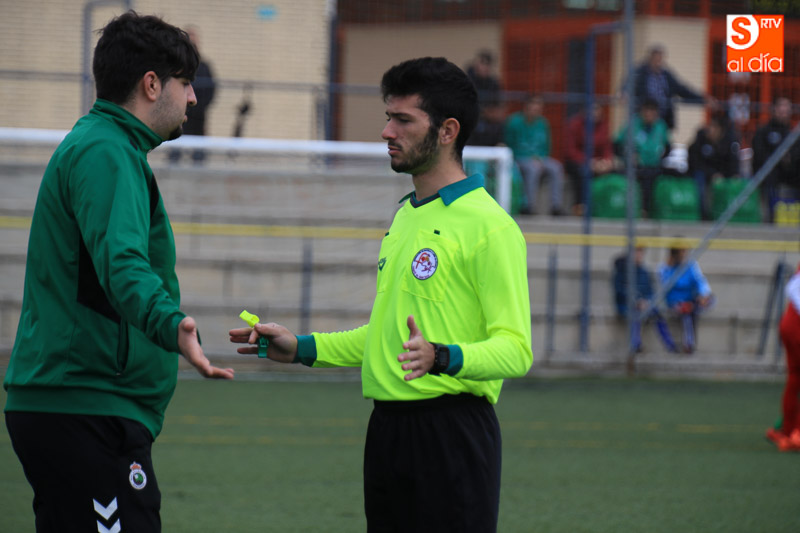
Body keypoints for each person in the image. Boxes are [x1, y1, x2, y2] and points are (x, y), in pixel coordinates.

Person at [230, 56, 533, 532]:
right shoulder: (406, 215)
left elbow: (516, 350)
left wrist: (443, 356)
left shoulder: (491, 227)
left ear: (448, 130)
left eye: (403, 120)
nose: (388, 131)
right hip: (388, 431)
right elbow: (386, 335)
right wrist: (302, 348)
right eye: (388, 117)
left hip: (452, 432)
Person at [3, 11, 235, 533]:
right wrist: (170, 323)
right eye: (185, 83)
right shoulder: (106, 151)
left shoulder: (106, 146)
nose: (193, 98)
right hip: (84, 406)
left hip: (80, 405)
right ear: (151, 84)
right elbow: (122, 265)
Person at [504, 94, 566, 215]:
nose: (535, 111)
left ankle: (556, 206)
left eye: (538, 108)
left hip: (540, 158)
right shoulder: (514, 122)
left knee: (556, 167)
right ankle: (528, 206)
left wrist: (540, 158)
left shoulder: (543, 123)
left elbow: (547, 146)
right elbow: (509, 146)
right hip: (520, 158)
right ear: (526, 107)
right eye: (533, 107)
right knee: (533, 169)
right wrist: (530, 158)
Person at [612, 246, 677, 353]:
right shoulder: (622, 271)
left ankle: (670, 345)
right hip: (626, 305)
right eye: (636, 253)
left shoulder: (644, 272)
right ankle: (635, 345)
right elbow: (620, 291)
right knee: (635, 313)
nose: (639, 256)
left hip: (644, 305)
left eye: (640, 253)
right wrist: (636, 301)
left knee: (657, 314)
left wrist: (647, 302)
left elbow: (651, 292)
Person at [614, 98, 671, 217]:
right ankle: (636, 209)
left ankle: (646, 210)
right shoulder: (633, 125)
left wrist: (660, 158)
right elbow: (617, 145)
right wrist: (628, 157)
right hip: (634, 166)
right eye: (646, 112)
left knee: (651, 176)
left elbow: (667, 147)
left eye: (652, 112)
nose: (649, 115)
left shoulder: (661, 126)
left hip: (653, 167)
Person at [632, 45, 710, 130]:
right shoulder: (640, 73)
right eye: (655, 59)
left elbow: (682, 90)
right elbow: (628, 85)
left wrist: (703, 99)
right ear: (650, 58)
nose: (657, 62)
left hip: (663, 118)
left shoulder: (666, 75)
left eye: (660, 59)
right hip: (644, 119)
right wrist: (624, 93)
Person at [169, 24, 216, 164]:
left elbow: (211, 89)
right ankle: (173, 163)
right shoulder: (176, 66)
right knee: (176, 143)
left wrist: (200, 106)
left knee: (198, 148)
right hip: (179, 112)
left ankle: (198, 163)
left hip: (198, 115)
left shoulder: (204, 67)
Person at [766, 263, 800, 452]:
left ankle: (787, 431)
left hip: (790, 325)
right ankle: (796, 434)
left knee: (795, 379)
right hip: (796, 327)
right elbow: (793, 288)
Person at [658, 244, 714, 354]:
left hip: (691, 300)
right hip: (676, 302)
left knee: (709, 300)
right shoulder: (665, 268)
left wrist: (703, 294)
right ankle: (689, 345)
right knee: (686, 312)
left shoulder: (690, 266)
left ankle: (694, 308)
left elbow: (700, 281)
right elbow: (667, 289)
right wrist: (670, 267)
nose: (684, 255)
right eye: (682, 253)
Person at [751, 97, 798, 223]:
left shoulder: (793, 133)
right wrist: (778, 158)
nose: (784, 111)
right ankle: (770, 219)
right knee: (770, 182)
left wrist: (790, 159)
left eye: (787, 108)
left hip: (789, 175)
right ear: (774, 109)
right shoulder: (763, 131)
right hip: (769, 176)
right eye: (781, 108)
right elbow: (759, 155)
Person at [564, 103, 615, 214]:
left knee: (616, 172)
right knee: (582, 171)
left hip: (597, 162)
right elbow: (571, 151)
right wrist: (588, 162)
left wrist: (606, 161)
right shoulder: (575, 124)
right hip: (577, 161)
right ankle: (580, 205)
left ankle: (606, 207)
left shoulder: (603, 126)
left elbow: (607, 147)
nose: (595, 114)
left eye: (597, 110)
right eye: (592, 110)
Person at [687, 114, 741, 220]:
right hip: (703, 173)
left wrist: (734, 174)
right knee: (699, 180)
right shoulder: (700, 140)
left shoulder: (729, 142)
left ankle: (730, 214)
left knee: (738, 181)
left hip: (721, 174)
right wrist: (712, 174)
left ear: (720, 130)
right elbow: (696, 162)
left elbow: (733, 161)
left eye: (713, 127)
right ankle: (703, 214)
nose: (710, 130)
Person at [465, 50, 504, 147]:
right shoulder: (466, 81)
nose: (484, 67)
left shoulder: (493, 84)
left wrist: (489, 112)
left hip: (488, 122)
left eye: (487, 64)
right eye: (482, 63)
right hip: (470, 120)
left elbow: (497, 108)